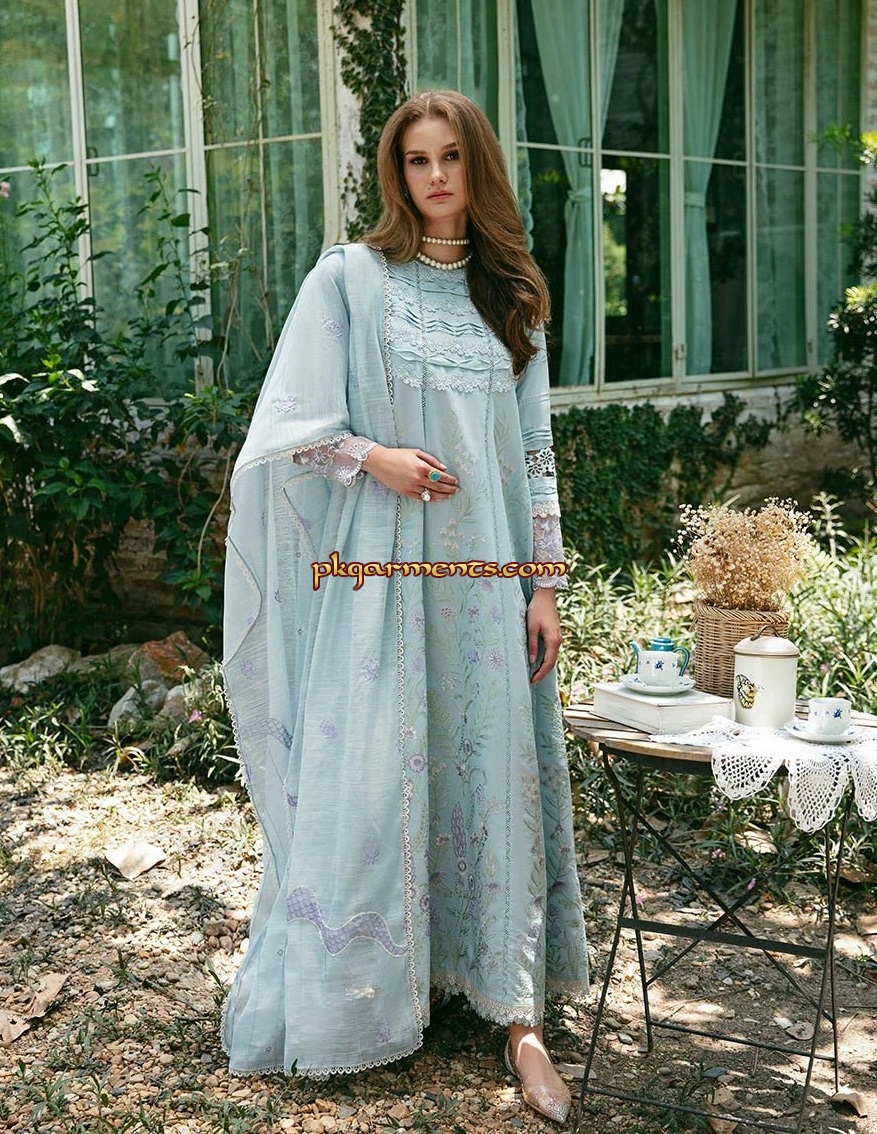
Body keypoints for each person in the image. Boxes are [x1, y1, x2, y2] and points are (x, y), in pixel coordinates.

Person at [222, 90, 588, 1124]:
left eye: (451, 158)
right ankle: (377, 984)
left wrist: (544, 585)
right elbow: (285, 432)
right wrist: (371, 455)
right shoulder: (351, 279)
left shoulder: (511, 297)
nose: (434, 177)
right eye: (417, 160)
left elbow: (534, 455)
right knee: (377, 775)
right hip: (381, 582)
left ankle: (516, 1012)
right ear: (397, 173)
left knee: (493, 771)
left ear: (478, 168)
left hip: (484, 584)